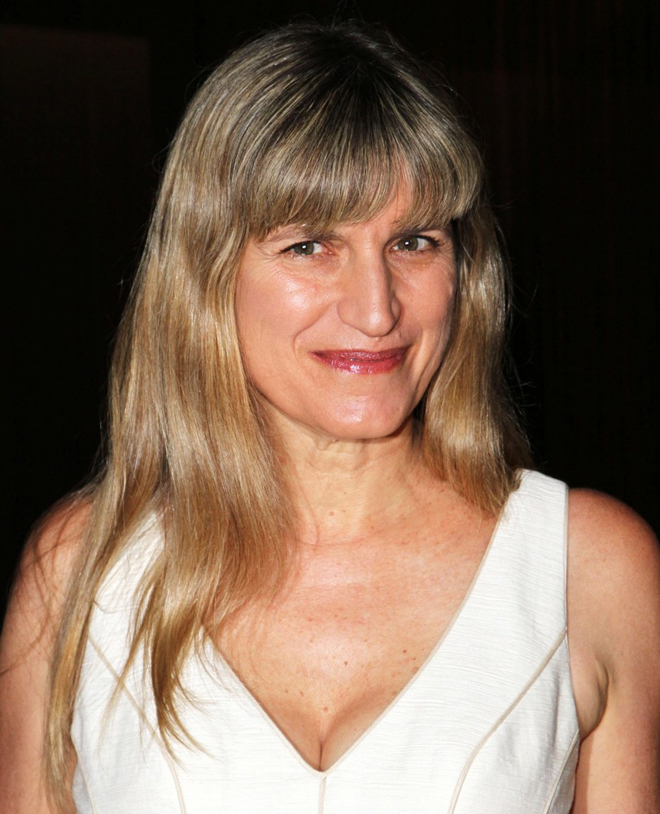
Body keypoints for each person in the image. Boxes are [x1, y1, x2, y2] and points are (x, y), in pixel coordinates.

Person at [1, 20, 659, 814]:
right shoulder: (82, 567)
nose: (377, 310)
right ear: (205, 275)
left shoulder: (586, 568)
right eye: (310, 246)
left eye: (414, 242)